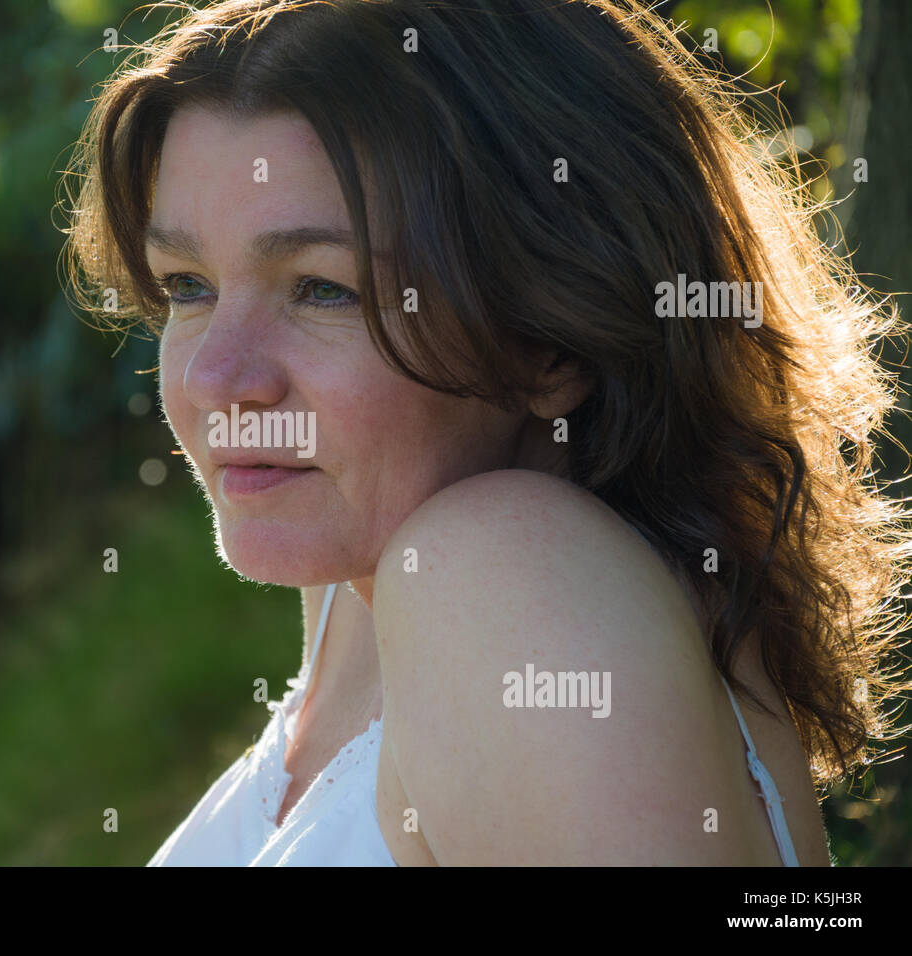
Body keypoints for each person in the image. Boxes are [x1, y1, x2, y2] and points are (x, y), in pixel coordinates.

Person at [58, 0, 911, 865]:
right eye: (187, 285)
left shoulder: (498, 574)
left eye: (323, 289)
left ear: (551, 342)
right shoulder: (362, 583)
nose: (215, 380)